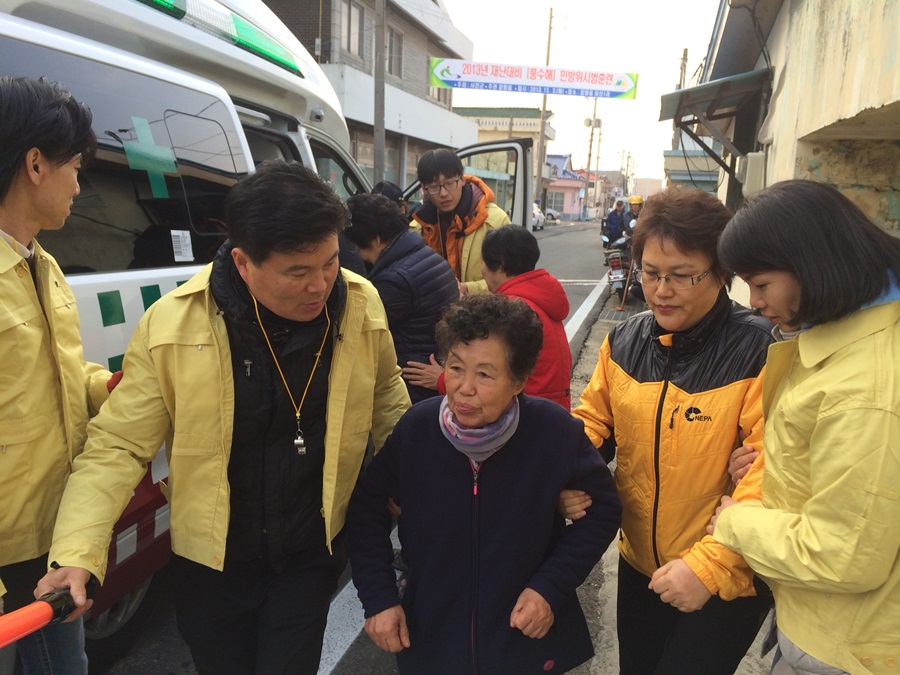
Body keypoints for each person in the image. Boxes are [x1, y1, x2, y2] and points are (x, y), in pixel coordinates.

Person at [35, 160, 411, 674]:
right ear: (241, 262)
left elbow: (388, 396)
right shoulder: (173, 324)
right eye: (297, 272)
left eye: (328, 263)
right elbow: (118, 445)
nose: (320, 285)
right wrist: (77, 550)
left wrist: (415, 483)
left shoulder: (359, 304)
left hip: (310, 549)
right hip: (212, 562)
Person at [346, 293, 622, 673]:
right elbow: (366, 509)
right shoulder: (417, 429)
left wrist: (549, 588)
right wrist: (379, 598)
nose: (464, 388)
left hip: (523, 639)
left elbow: (604, 511)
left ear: (519, 380)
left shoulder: (554, 432)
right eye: (456, 368)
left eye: (485, 374)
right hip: (431, 639)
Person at [562, 187, 774, 673]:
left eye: (681, 276)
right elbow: (593, 423)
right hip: (640, 564)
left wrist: (709, 567)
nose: (661, 290)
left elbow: (771, 472)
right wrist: (561, 475)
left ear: (722, 273)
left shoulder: (759, 350)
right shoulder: (626, 339)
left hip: (722, 573)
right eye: (652, 274)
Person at [707, 179, 900, 675]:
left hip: (847, 644)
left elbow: (842, 555)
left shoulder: (864, 389)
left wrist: (734, 521)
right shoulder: (843, 337)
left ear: (813, 265)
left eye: (762, 283)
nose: (752, 300)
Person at [0, 75, 116, 675]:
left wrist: (106, 388)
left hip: (53, 539)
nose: (80, 181)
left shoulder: (42, 264)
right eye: (74, 165)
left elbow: (59, 375)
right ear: (36, 164)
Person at [404, 225, 572, 409]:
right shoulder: (541, 295)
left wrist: (441, 380)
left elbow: (491, 375)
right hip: (552, 408)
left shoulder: (512, 312)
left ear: (499, 265)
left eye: (482, 262)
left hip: (524, 413)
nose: (482, 269)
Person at [345, 192, 458, 404]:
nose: (358, 254)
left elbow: (358, 328)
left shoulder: (396, 280)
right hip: (433, 369)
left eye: (357, 247)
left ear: (376, 238)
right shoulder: (428, 256)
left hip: (412, 384)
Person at [410, 148, 510, 296]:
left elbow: (512, 278)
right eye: (434, 187)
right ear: (423, 188)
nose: (443, 193)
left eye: (450, 183)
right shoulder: (418, 228)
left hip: (484, 314)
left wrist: (467, 289)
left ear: (462, 179)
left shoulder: (494, 222)